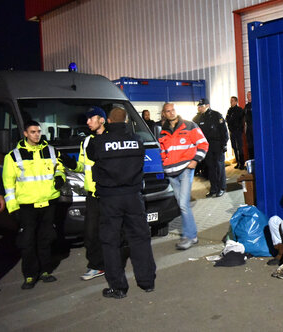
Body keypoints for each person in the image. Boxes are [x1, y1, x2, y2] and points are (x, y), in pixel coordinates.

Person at [87, 107, 156, 299]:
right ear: (126, 121)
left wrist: (100, 134)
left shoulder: (99, 142)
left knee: (111, 242)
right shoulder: (138, 141)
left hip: (110, 199)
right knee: (140, 239)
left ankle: (118, 287)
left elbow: (91, 155)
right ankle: (147, 282)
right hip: (133, 196)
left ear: (108, 121)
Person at [2, 120, 67, 289]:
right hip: (27, 206)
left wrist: (60, 176)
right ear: (25, 133)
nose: (37, 134)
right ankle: (30, 275)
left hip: (48, 203)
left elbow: (59, 167)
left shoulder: (51, 151)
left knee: (46, 239)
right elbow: (8, 183)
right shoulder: (14, 156)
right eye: (32, 132)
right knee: (27, 241)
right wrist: (13, 207)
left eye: (38, 131)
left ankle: (46, 271)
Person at [159, 102, 208, 250]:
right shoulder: (163, 132)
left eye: (173, 110)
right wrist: (164, 164)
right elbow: (163, 151)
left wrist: (195, 161)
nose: (171, 113)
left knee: (184, 204)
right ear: (164, 114)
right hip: (171, 173)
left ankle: (189, 237)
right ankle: (192, 235)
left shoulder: (189, 125)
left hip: (186, 170)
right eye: (168, 111)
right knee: (182, 205)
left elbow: (203, 144)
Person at [74, 106, 107, 281]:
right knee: (91, 233)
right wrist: (70, 165)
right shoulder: (86, 142)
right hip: (93, 196)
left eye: (91, 118)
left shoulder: (111, 139)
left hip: (109, 195)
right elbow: (82, 166)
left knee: (112, 231)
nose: (87, 122)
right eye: (86, 119)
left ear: (101, 119)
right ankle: (96, 266)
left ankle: (111, 264)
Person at [192, 98, 228, 198]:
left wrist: (224, 144)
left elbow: (224, 131)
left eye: (201, 106)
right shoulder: (197, 118)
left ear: (207, 105)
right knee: (211, 168)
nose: (199, 108)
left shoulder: (216, 115)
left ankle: (221, 188)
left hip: (217, 144)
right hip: (206, 146)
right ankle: (214, 189)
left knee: (219, 167)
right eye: (198, 106)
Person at [225, 96, 245, 170]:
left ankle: (242, 163)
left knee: (240, 147)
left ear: (236, 102)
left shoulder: (240, 110)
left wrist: (239, 127)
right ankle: (238, 162)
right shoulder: (229, 110)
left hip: (238, 131)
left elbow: (241, 120)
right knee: (234, 147)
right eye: (230, 101)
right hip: (232, 131)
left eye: (232, 101)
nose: (231, 102)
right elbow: (227, 119)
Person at [244, 91, 254, 159]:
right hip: (248, 128)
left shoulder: (255, 105)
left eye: (250, 94)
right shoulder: (246, 106)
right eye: (247, 95)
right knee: (249, 144)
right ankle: (251, 159)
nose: (248, 96)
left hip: (254, 127)